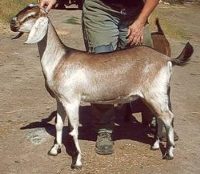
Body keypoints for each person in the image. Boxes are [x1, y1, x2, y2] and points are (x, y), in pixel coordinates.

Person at [39, 0, 160, 155]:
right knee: (101, 66)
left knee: (147, 63)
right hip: (100, 9)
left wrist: (141, 21)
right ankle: (104, 128)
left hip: (135, 10)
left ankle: (156, 118)